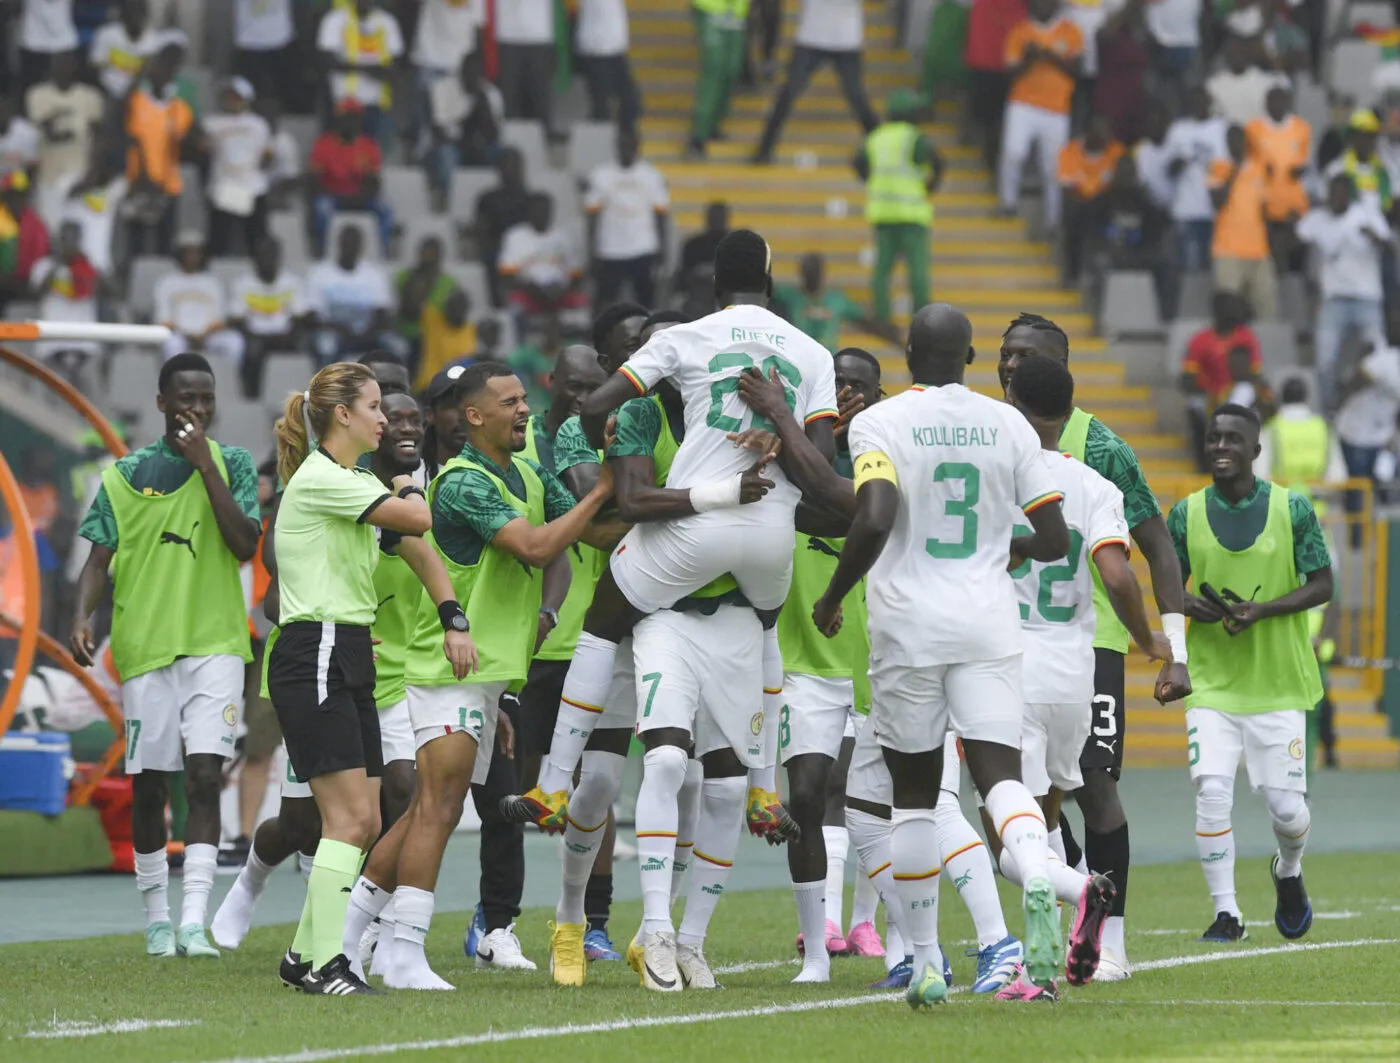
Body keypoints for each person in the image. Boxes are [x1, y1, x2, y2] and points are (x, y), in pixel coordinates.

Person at [508, 230, 838, 853]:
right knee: (768, 630)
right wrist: (773, 433)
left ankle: (552, 785)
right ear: (771, 285)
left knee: (605, 621)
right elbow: (818, 458)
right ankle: (765, 790)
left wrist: (607, 418)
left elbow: (598, 404)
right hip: (773, 530)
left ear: (713, 287)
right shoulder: (813, 354)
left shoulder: (687, 337)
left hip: (696, 527)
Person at [802, 303, 1080, 1005]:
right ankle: (1039, 871)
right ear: (971, 355)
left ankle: (925, 960)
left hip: (908, 627)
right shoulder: (1009, 421)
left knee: (915, 802)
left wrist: (836, 593)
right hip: (988, 622)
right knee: (1001, 778)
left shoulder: (878, 422)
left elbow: (873, 515)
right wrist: (998, 548)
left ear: (906, 352)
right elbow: (1053, 539)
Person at [336, 360, 615, 991]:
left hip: (485, 676)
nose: (525, 410)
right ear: (473, 416)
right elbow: (540, 547)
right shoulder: (464, 482)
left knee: (425, 811)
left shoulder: (526, 471)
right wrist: (603, 491)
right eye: (510, 401)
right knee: (437, 806)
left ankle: (346, 939)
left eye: (525, 399)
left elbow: (585, 531)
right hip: (448, 667)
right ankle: (404, 952)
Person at [998, 310, 1191, 982]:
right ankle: (1053, 924)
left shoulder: (1102, 451)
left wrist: (1172, 647)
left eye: (1027, 356)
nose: (1012, 366)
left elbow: (1154, 548)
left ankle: (1110, 938)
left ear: (1060, 365)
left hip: (1088, 641)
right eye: (1006, 353)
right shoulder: (997, 437)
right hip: (1046, 648)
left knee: (1081, 787)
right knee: (1041, 799)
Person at [69, 353, 260, 961]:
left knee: (205, 780)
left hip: (217, 646)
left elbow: (243, 545)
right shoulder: (125, 474)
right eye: (185, 400)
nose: (197, 410)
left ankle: (194, 921)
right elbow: (98, 560)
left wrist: (206, 466)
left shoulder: (230, 464)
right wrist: (81, 616)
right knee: (150, 786)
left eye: (206, 399)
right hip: (145, 647)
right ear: (161, 403)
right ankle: (156, 918)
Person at [264, 361, 443, 995]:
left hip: (341, 650)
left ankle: (302, 955)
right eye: (372, 407)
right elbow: (417, 523)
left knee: (362, 819)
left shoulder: (341, 479)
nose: (384, 418)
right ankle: (324, 963)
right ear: (342, 415)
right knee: (346, 822)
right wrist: (414, 487)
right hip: (316, 650)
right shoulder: (324, 478)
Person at [1168, 403, 1329, 944]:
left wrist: (1262, 610)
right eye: (1213, 438)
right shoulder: (1185, 514)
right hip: (1212, 682)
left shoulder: (1293, 508)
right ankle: (1226, 912)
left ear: (1256, 450)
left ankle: (1288, 870)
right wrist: (1193, 609)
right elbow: (1168, 587)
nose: (1220, 447)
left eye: (1233, 439)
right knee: (1212, 791)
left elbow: (1323, 584)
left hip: (1278, 682)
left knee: (1287, 810)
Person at [1295, 174, 1391, 413]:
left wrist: (1375, 237)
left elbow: (1390, 247)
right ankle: (1330, 412)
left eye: (1340, 193)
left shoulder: (1366, 215)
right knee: (1324, 359)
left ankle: (1379, 409)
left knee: (1378, 356)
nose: (1335, 198)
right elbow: (1297, 236)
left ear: (1349, 194)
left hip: (1367, 299)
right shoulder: (1317, 219)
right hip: (1333, 300)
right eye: (1331, 192)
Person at [854, 90, 943, 329]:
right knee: (917, 273)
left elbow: (857, 162)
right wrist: (930, 185)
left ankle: (882, 317)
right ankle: (924, 320)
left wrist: (871, 182)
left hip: (883, 212)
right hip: (912, 213)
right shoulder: (914, 137)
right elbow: (937, 161)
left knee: (882, 270)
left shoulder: (876, 137)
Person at [751, 0, 877, 165]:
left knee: (856, 96)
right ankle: (764, 149)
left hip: (847, 40)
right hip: (811, 37)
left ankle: (881, 144)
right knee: (787, 93)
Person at [996, 0, 1084, 231]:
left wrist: (1049, 56)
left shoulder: (1070, 31)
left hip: (1057, 109)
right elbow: (1008, 73)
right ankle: (1008, 203)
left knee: (1054, 168)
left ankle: (1052, 221)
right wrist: (1028, 59)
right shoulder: (1020, 31)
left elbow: (1078, 71)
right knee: (1013, 152)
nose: (1043, 5)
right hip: (1023, 103)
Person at [123, 39, 195, 256]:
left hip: (168, 185)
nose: (163, 78)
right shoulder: (137, 102)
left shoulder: (179, 108)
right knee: (137, 247)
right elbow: (132, 137)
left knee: (165, 244)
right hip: (140, 182)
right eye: (159, 72)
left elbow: (186, 139)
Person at [585, 126, 669, 308]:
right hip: (609, 250)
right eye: (622, 146)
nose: (626, 151)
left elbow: (660, 216)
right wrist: (591, 252)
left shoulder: (652, 176)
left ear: (638, 147)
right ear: (616, 147)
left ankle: (647, 337)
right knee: (605, 303)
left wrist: (662, 250)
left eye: (630, 146)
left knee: (646, 303)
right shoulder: (601, 175)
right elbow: (592, 218)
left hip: (643, 248)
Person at [1180, 291, 1261, 465]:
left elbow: (1255, 374)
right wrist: (1210, 394)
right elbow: (1186, 379)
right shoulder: (1200, 340)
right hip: (1210, 398)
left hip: (1237, 396)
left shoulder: (1245, 337)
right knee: (1195, 404)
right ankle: (1204, 463)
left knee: (1249, 395)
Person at [227, 236, 311, 398]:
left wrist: (288, 334)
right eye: (263, 255)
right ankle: (252, 396)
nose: (268, 259)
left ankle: (301, 397)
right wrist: (254, 335)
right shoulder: (243, 284)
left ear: (279, 258)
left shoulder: (292, 282)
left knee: (303, 343)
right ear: (255, 259)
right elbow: (236, 319)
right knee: (251, 349)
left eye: (272, 255)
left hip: (284, 335)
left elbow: (300, 316)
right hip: (255, 336)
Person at [308, 99, 393, 259]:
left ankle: (380, 253)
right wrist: (339, 196)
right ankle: (324, 253)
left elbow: (374, 181)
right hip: (332, 196)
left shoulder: (369, 145)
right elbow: (314, 182)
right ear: (338, 119)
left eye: (353, 117)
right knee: (321, 208)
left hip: (360, 198)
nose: (349, 121)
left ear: (360, 119)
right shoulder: (323, 144)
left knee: (386, 210)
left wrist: (359, 197)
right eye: (345, 116)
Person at [1209, 123, 1276, 320]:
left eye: (1239, 140)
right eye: (1230, 141)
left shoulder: (1259, 169)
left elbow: (1265, 211)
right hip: (1228, 250)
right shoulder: (1218, 167)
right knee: (1228, 309)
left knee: (1267, 307)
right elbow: (1217, 202)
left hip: (1259, 250)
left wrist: (1272, 247)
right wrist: (1234, 171)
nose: (1235, 145)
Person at [305, 223, 397, 366]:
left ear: (361, 246)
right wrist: (339, 328)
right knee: (326, 345)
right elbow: (312, 316)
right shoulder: (319, 273)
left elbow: (383, 314)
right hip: (335, 332)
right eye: (346, 243)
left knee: (397, 346)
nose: (350, 247)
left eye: (354, 243)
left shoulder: (375, 275)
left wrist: (368, 331)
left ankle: (392, 387)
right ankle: (327, 387)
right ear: (338, 244)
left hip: (367, 333)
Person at [24, 49, 103, 216]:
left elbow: (97, 137)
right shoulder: (37, 94)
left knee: (75, 229)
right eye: (59, 64)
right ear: (52, 67)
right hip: (48, 175)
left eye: (68, 64)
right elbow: (47, 132)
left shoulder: (90, 96)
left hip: (79, 173)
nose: (64, 68)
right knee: (50, 228)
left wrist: (92, 172)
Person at [317, 0, 405, 149]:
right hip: (343, 103)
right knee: (341, 155)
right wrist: (371, 70)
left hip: (377, 103)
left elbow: (394, 68)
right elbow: (329, 62)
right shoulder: (336, 19)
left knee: (371, 158)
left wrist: (352, 66)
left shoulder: (387, 22)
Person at [497, 192, 586, 334]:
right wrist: (534, 290)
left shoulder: (564, 236)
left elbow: (576, 275)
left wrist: (562, 289)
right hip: (528, 292)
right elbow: (507, 276)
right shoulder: (515, 236)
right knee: (515, 306)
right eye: (537, 211)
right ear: (529, 212)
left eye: (545, 210)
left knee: (583, 303)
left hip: (560, 292)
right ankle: (522, 345)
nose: (541, 214)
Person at [153, 233, 246, 365]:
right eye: (188, 253)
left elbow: (219, 319)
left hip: (209, 336)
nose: (193, 257)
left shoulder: (212, 283)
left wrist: (203, 336)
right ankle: (175, 381)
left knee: (234, 341)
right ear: (180, 254)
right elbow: (164, 320)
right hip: (179, 335)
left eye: (196, 253)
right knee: (172, 343)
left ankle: (229, 380)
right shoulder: (166, 282)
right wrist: (187, 336)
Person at [204, 77, 272, 257]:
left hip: (252, 186)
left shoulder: (258, 124)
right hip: (224, 185)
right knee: (220, 241)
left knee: (255, 240)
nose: (229, 100)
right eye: (226, 96)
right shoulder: (212, 123)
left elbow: (266, 154)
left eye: (234, 96)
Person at [1165, 85, 1229, 274]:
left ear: (1210, 102)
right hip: (1187, 210)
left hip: (1216, 211)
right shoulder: (1178, 130)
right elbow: (1169, 171)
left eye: (1202, 100)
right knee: (1190, 271)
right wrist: (1179, 163)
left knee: (1214, 271)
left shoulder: (1222, 128)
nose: (1198, 105)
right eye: (1194, 101)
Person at [427, 50, 504, 207]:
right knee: (447, 155)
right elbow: (438, 132)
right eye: (467, 74)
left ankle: (491, 201)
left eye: (476, 75)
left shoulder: (491, 94)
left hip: (479, 145)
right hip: (448, 145)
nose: (471, 79)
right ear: (460, 72)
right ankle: (450, 202)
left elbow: (494, 135)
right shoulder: (442, 89)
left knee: (504, 153)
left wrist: (482, 102)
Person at [773, 252, 896, 350]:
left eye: (814, 273)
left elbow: (867, 322)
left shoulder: (836, 300)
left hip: (828, 363)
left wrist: (895, 338)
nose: (811, 276)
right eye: (808, 273)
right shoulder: (789, 296)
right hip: (799, 360)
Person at [1247, 85, 1310, 267]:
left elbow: (1304, 165)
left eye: (1281, 100)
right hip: (1264, 206)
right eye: (1273, 100)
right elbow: (1248, 167)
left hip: (1294, 207)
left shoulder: (1301, 128)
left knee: (1293, 260)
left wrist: (1300, 170)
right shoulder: (1253, 129)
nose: (1277, 104)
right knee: (1266, 258)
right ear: (1266, 104)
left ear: (1288, 102)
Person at [1058, 113, 1124, 284]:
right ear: (1087, 132)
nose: (1104, 135)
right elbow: (1067, 189)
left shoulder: (1116, 151)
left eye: (1106, 130)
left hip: (1108, 206)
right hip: (1080, 207)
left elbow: (1121, 184)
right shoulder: (1070, 151)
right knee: (1076, 216)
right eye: (1099, 130)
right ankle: (1073, 274)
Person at [687, 0, 750, 159]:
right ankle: (697, 137)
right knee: (714, 68)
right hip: (710, 8)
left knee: (732, 70)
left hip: (736, 12)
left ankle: (713, 123)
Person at [475, 148, 531, 307]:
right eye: (507, 165)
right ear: (499, 169)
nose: (511, 170)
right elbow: (481, 232)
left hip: (526, 253)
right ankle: (497, 307)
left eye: (515, 165)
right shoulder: (487, 198)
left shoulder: (530, 200)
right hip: (497, 252)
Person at [494, 0, 559, 137]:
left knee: (540, 104)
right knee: (508, 105)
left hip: (540, 35)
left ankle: (540, 150)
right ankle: (508, 153)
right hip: (507, 36)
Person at [575, 0, 641, 128]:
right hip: (595, 51)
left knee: (631, 102)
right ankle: (601, 139)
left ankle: (624, 136)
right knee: (601, 106)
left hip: (615, 51)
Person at [674, 200, 730, 290]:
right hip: (699, 295)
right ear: (707, 219)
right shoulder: (693, 245)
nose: (716, 222)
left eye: (719, 218)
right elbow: (682, 277)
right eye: (713, 218)